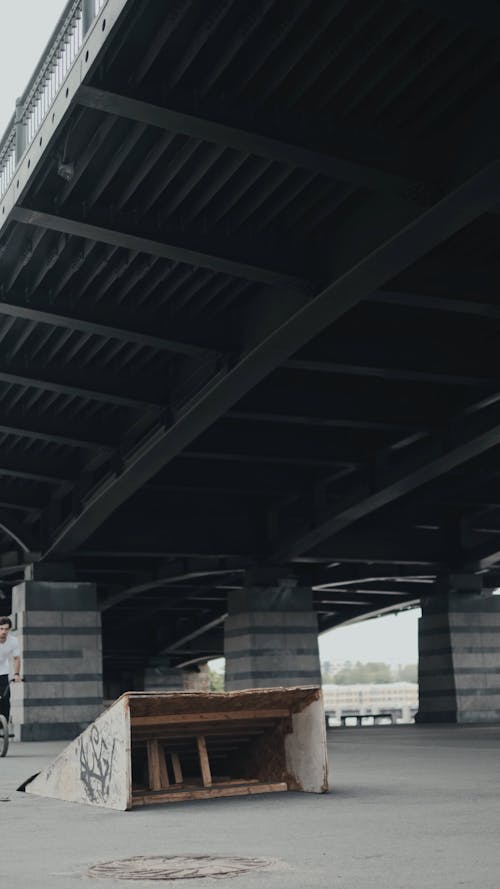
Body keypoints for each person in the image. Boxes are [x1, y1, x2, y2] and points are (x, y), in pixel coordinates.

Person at [0, 617, 21, 722]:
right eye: (1, 629)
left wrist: (17, 674)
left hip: (3, 673)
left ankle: (4, 726)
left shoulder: (13, 641)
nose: (4, 631)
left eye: (6, 629)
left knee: (5, 699)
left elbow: (16, 658)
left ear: (9, 629)